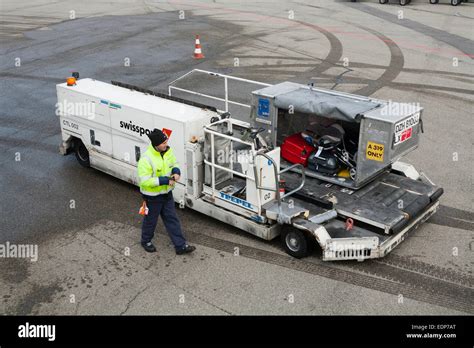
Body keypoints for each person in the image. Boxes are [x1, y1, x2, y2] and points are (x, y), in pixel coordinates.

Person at [137, 129, 196, 255]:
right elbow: (144, 181)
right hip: (152, 197)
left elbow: (174, 163)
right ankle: (146, 241)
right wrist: (165, 180)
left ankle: (180, 246)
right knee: (151, 221)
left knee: (172, 219)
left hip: (166, 194)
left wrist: (176, 172)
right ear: (156, 144)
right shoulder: (146, 159)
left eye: (166, 141)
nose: (166, 144)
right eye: (163, 143)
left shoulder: (168, 151)